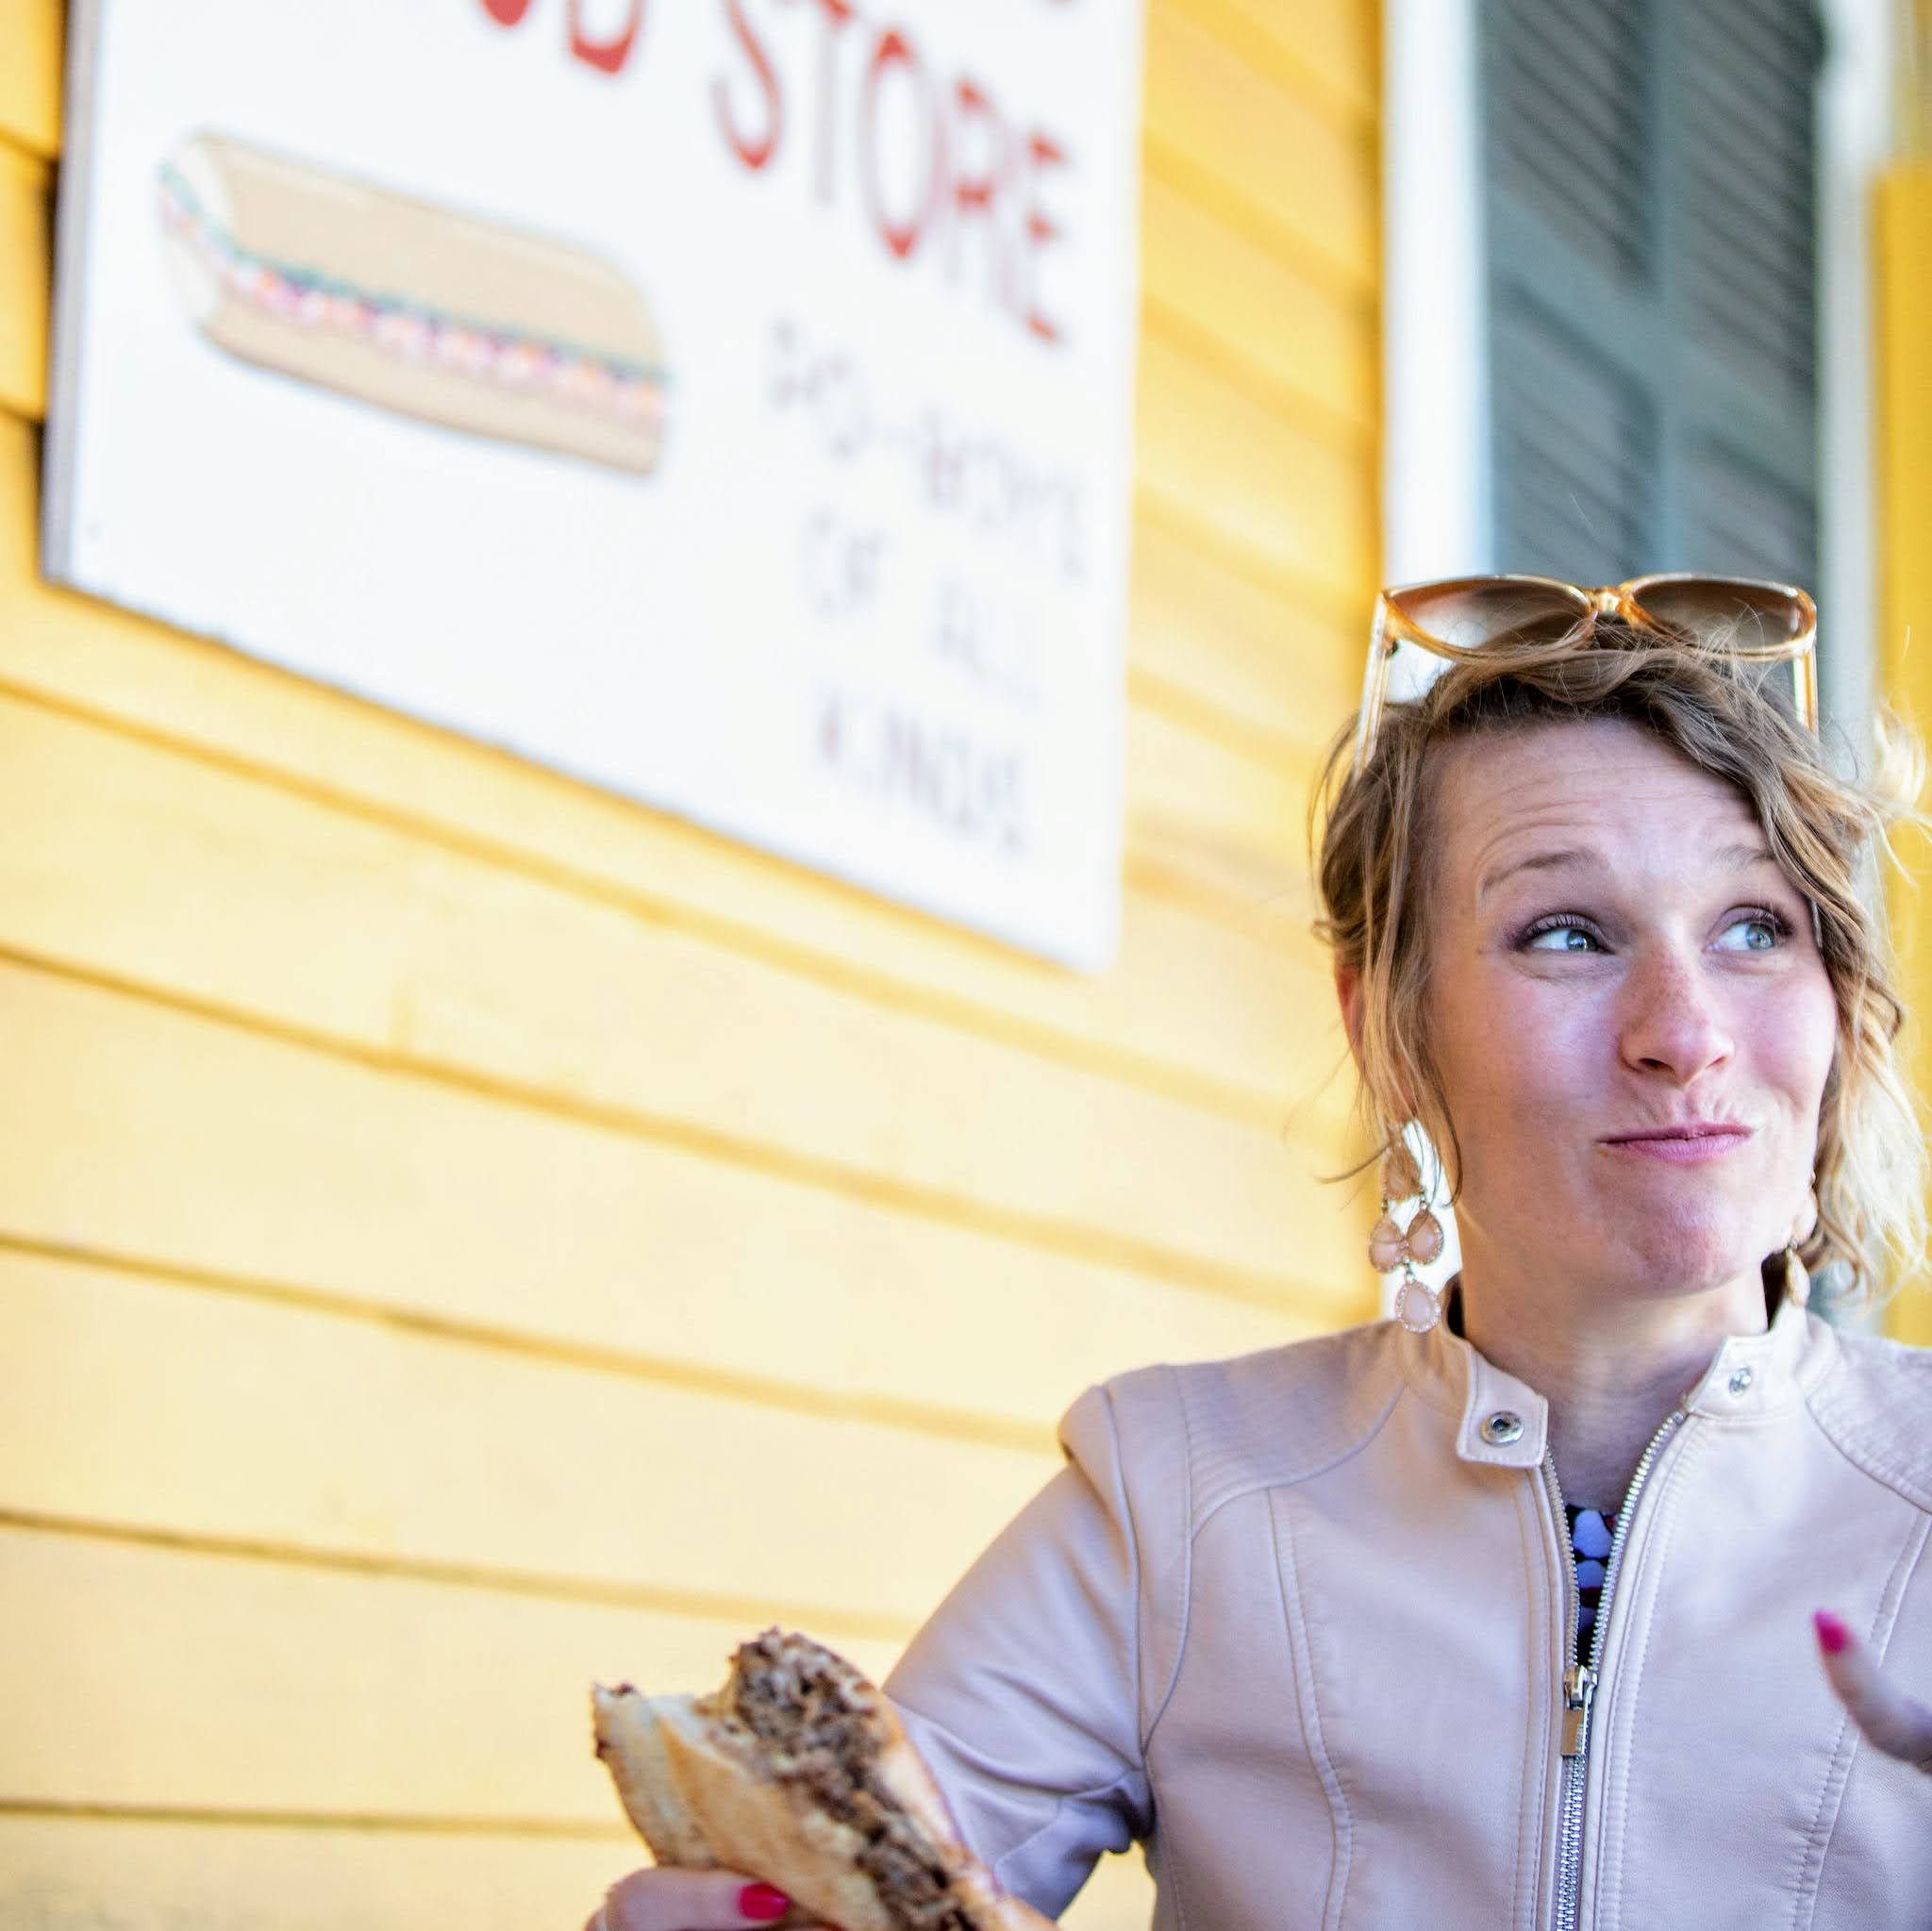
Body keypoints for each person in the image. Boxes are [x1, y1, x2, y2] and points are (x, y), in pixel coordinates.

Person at [585, 576, 1932, 1931]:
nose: (1684, 1031)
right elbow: (864, 1876)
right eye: (1566, 934)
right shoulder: (1175, 1497)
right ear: (1385, 1033)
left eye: (1755, 928)